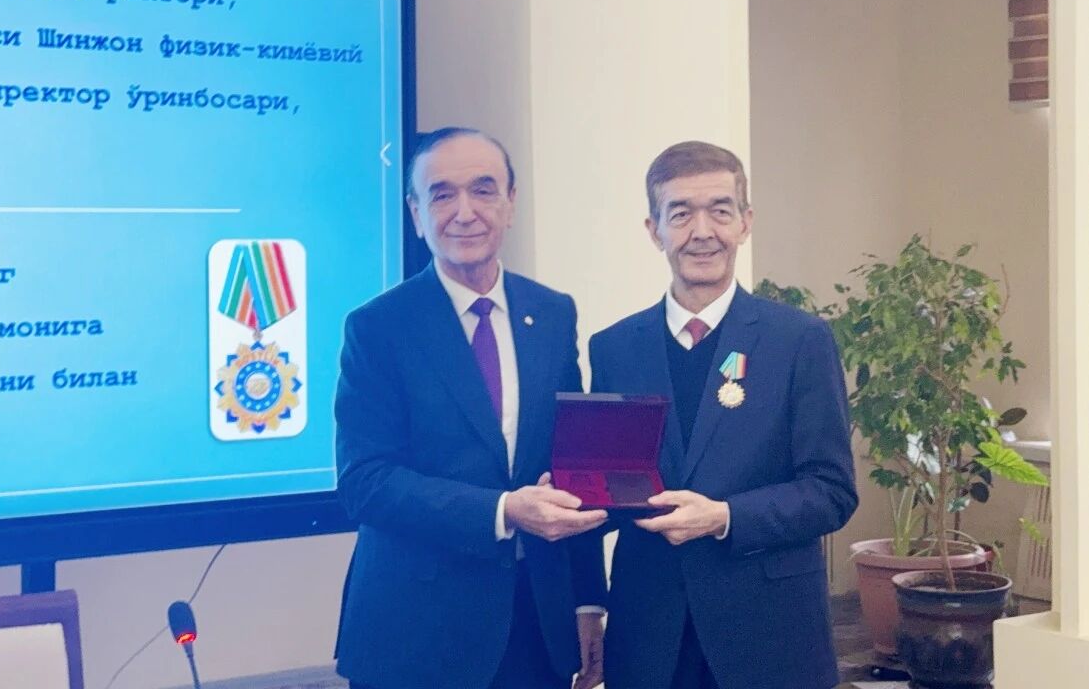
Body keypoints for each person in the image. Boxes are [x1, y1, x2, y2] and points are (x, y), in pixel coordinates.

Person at [334, 127, 608, 689]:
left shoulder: (552, 314)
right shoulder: (378, 327)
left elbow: (573, 463)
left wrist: (587, 602)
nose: (465, 212)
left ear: (510, 203)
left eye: (483, 190)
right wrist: (503, 510)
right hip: (416, 634)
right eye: (442, 194)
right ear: (416, 214)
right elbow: (365, 481)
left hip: (536, 628)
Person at [589, 140, 859, 689]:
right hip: (649, 635)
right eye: (680, 214)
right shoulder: (614, 348)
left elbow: (832, 491)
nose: (702, 231)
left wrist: (725, 516)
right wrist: (576, 492)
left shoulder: (799, 341)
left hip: (769, 634)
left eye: (720, 210)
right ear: (654, 230)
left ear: (745, 222)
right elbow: (609, 488)